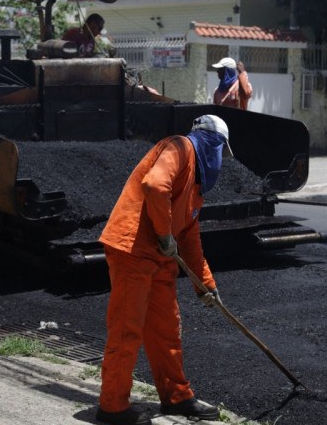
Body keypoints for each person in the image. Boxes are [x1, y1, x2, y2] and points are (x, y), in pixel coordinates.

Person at [95, 114, 231, 425]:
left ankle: (177, 397)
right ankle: (112, 406)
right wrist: (164, 234)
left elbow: (191, 240)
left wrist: (206, 286)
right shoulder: (179, 148)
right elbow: (155, 185)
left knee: (165, 329)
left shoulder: (195, 189)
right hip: (132, 248)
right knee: (127, 328)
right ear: (215, 145)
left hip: (157, 257)